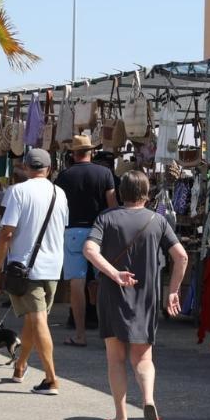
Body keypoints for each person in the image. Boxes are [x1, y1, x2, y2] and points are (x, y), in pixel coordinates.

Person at [83, 170, 189, 420]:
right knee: (143, 357)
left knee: (115, 359)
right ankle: (149, 401)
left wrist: (115, 273)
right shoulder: (158, 221)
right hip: (146, 296)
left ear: (121, 192)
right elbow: (182, 257)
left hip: (113, 294)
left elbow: (89, 250)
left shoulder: (106, 218)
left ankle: (121, 417)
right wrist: (173, 291)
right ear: (147, 192)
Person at [0, 148, 69, 396]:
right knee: (34, 319)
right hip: (53, 266)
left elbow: (7, 233)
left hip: (25, 267)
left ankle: (51, 379)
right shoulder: (60, 193)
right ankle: (20, 366)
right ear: (50, 169)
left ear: (25, 167)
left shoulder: (18, 192)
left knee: (38, 320)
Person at [54, 134, 117, 346]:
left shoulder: (64, 176)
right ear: (91, 152)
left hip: (72, 231)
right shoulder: (105, 173)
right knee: (104, 280)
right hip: (99, 232)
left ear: (73, 154)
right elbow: (112, 206)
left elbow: (57, 208)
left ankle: (80, 334)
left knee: (77, 284)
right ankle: (108, 336)